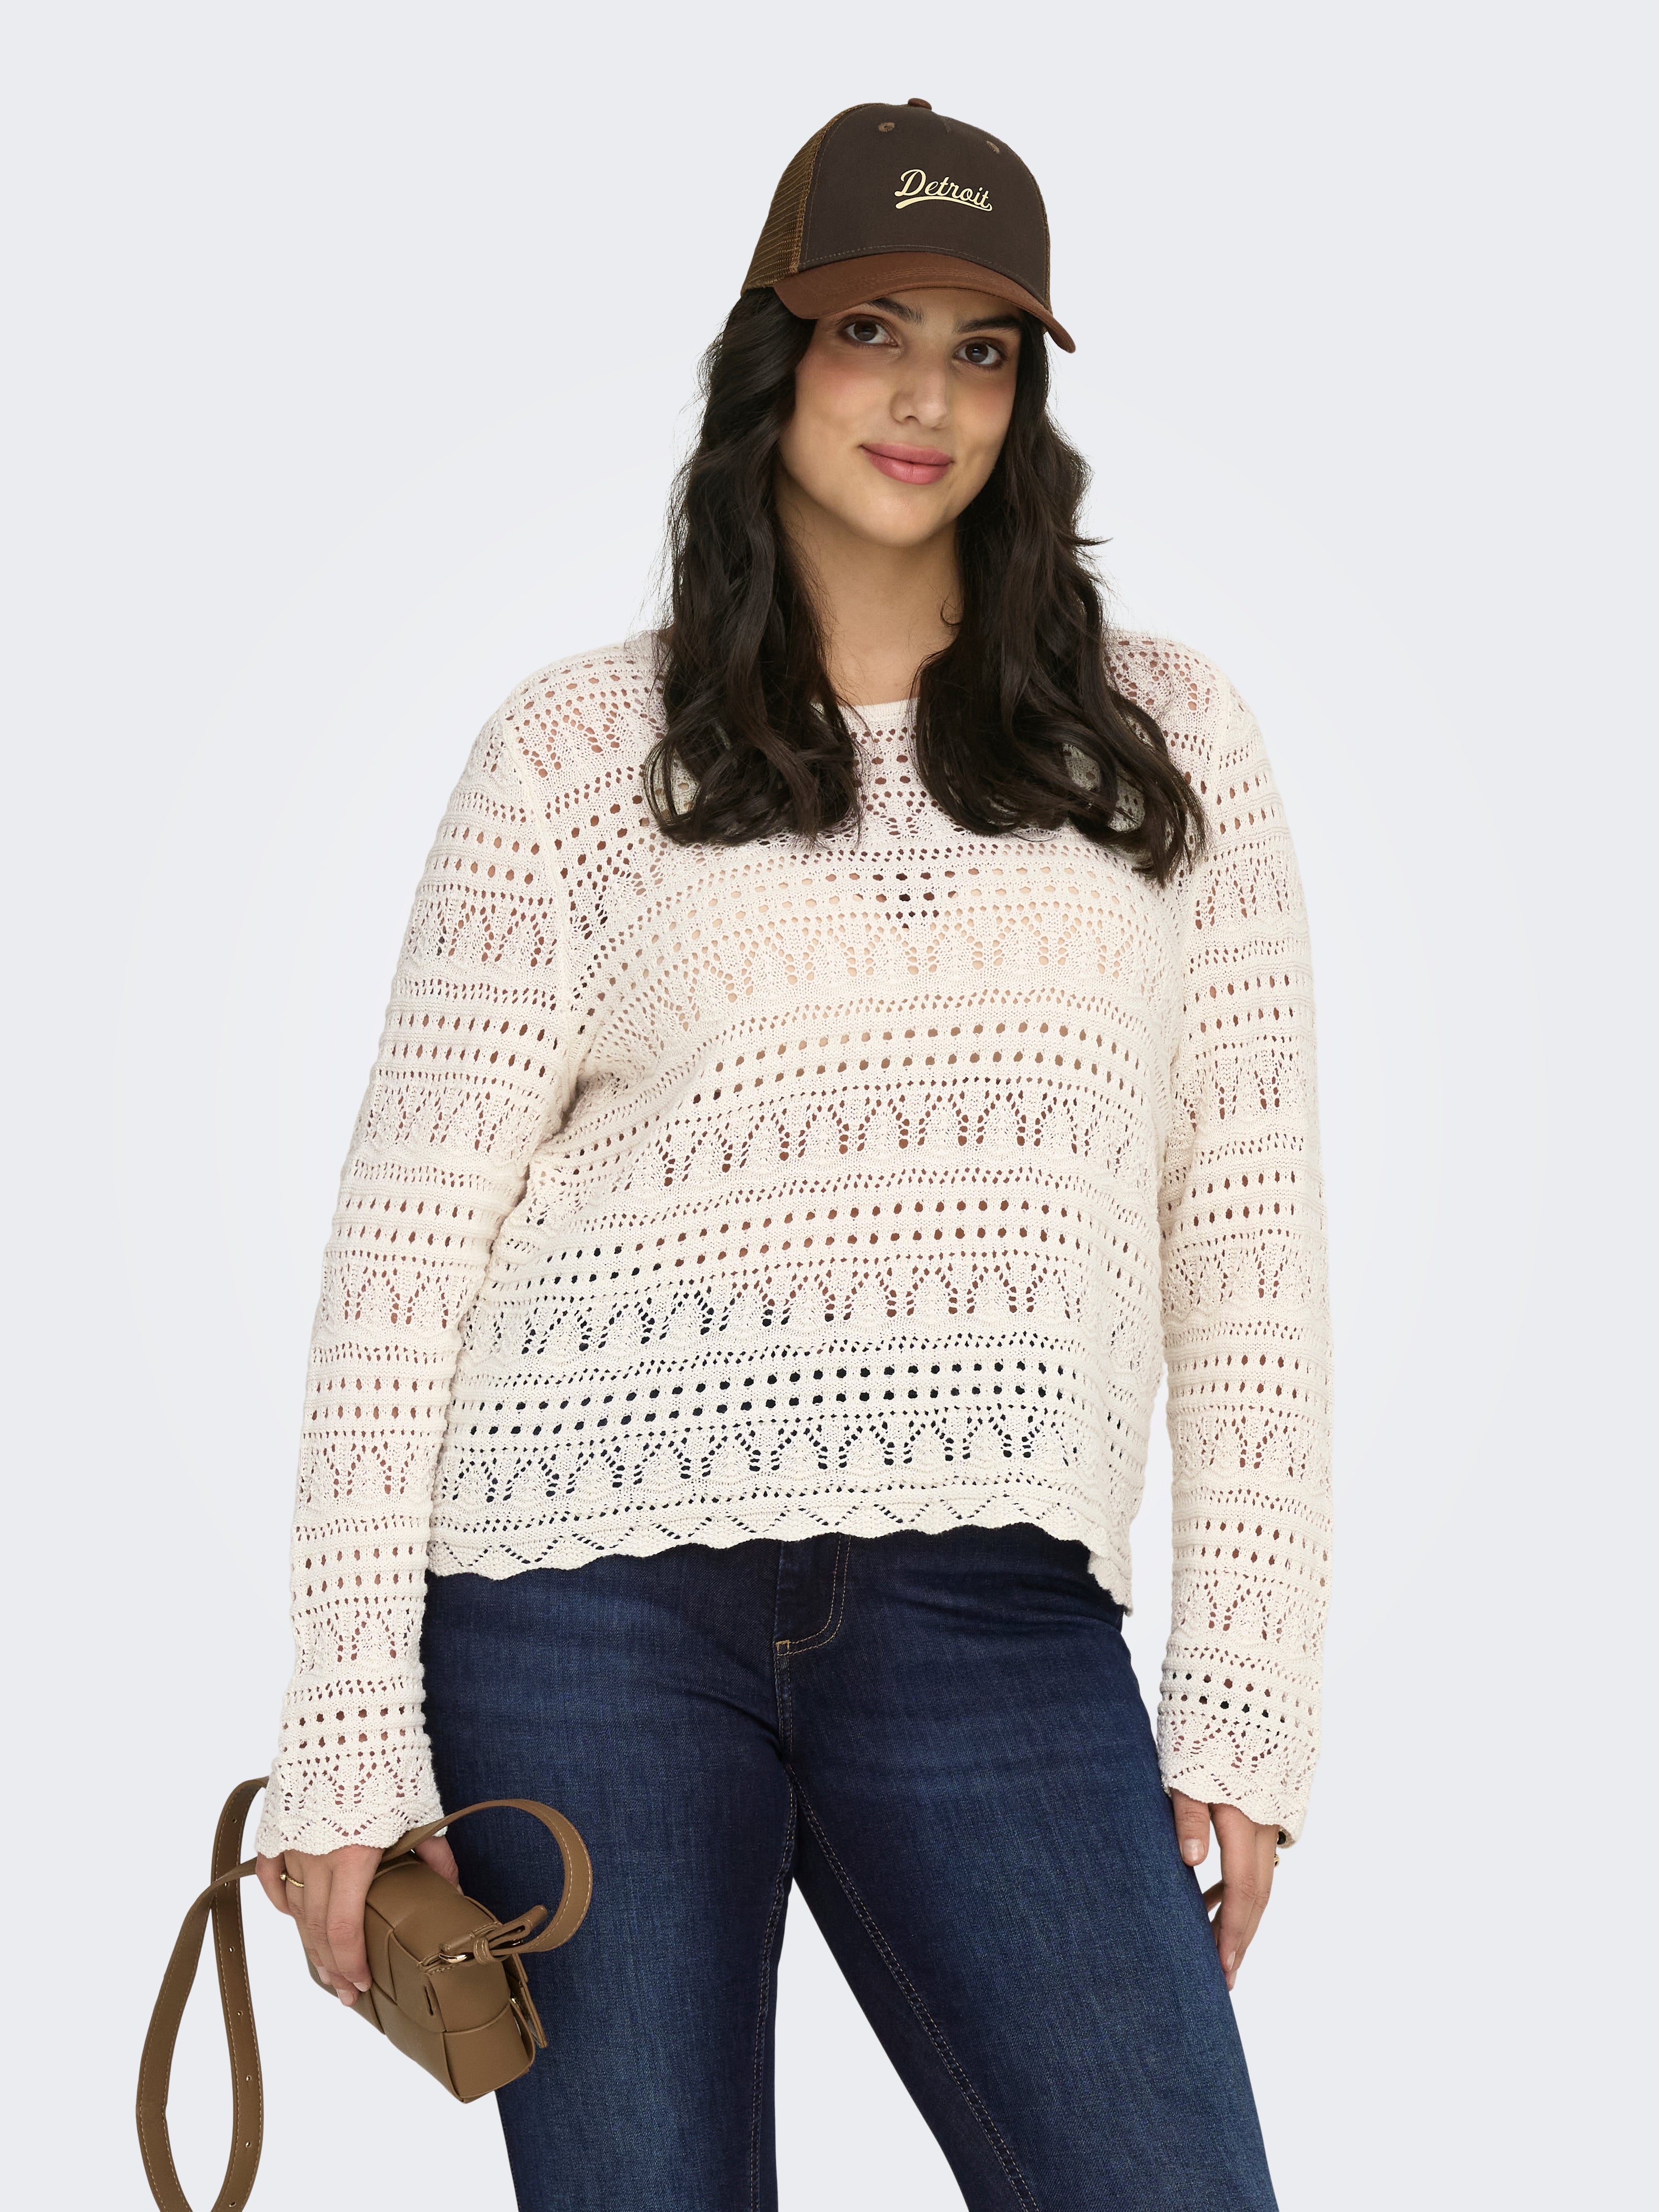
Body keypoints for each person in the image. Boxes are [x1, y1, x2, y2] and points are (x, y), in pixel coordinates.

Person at [253, 97, 1331, 2212]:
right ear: (776, 354)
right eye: (869, 332)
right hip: (579, 1605)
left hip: (995, 1605)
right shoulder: (576, 756)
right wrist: (348, 1732)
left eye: (981, 349)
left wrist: (1242, 1695)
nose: (926, 396)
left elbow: (1246, 1240)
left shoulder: (1168, 745)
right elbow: (400, 1265)